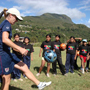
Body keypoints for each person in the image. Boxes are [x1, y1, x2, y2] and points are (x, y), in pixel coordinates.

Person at [0, 8, 51, 90]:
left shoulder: (5, 23)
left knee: (24, 67)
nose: (16, 21)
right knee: (6, 80)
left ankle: (39, 84)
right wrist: (19, 49)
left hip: (8, 54)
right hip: (3, 55)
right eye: (16, 18)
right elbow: (5, 39)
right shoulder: (7, 24)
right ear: (11, 15)